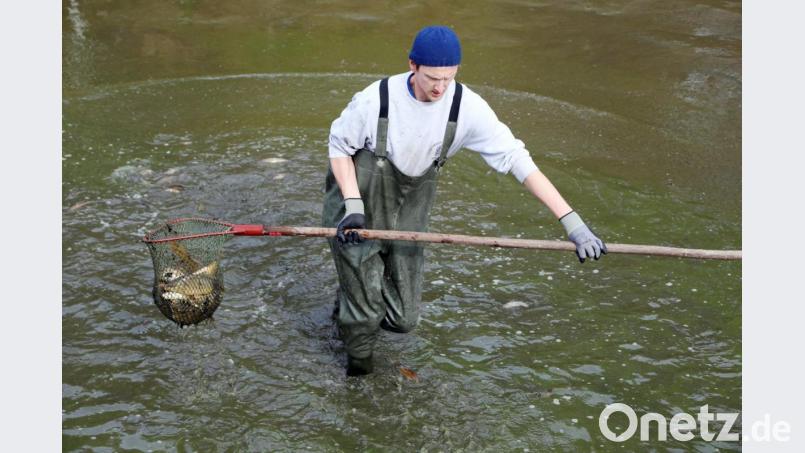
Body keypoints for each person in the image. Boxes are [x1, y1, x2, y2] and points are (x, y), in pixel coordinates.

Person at [322, 25, 606, 376]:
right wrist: (352, 205)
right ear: (412, 66)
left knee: (404, 319)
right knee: (364, 318)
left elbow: (516, 159)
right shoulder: (375, 99)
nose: (439, 88)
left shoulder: (466, 107)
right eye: (431, 78)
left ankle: (351, 297)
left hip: (409, 212)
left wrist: (571, 221)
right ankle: (358, 376)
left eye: (448, 78)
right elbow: (339, 147)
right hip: (357, 209)